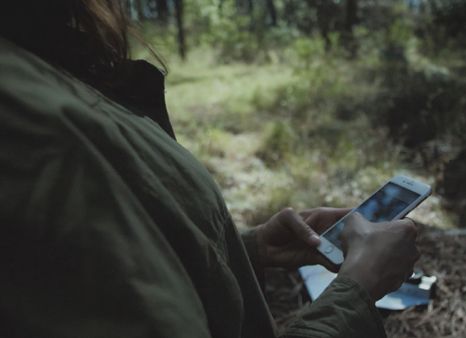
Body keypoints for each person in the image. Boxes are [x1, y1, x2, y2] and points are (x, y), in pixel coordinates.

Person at [0, 1, 420, 337]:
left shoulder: (38, 64)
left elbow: (97, 267)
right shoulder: (28, 121)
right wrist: (356, 290)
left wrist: (242, 250)